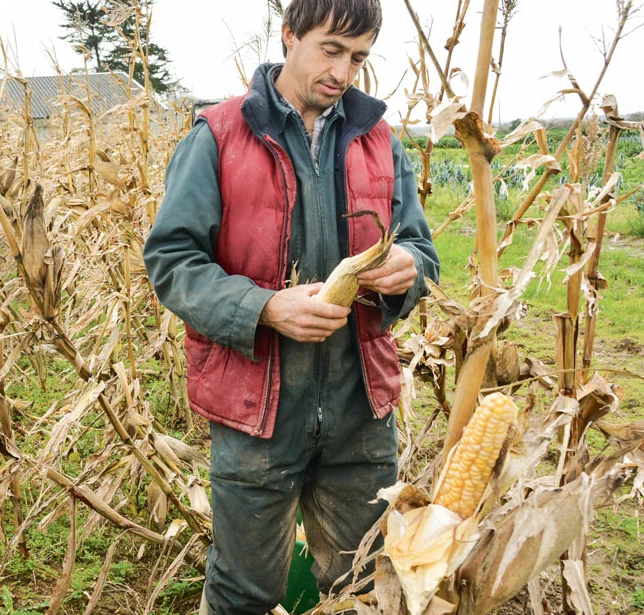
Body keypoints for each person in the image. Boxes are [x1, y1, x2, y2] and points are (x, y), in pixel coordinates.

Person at [142, 1, 440, 613]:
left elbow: (421, 249)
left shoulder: (381, 142)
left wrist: (407, 270)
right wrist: (264, 308)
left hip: (362, 410)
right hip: (257, 414)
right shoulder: (218, 136)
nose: (343, 71)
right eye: (330, 50)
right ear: (288, 35)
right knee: (242, 592)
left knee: (362, 586)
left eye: (358, 57)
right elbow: (172, 261)